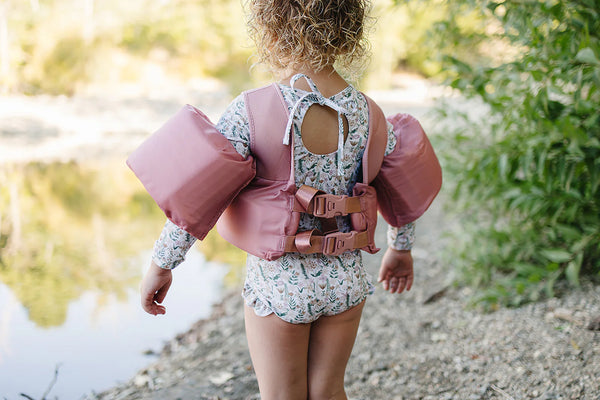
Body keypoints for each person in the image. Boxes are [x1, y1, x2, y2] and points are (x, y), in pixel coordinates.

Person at [138, 1, 428, 399]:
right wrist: (402, 249)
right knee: (328, 390)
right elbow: (402, 185)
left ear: (271, 34)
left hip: (280, 284)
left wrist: (161, 264)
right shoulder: (369, 113)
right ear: (349, 34)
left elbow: (197, 196)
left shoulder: (251, 112)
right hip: (344, 280)